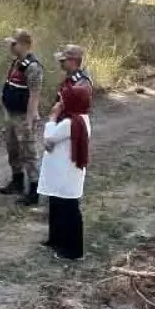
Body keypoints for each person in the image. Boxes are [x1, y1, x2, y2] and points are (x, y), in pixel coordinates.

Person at [39, 81, 92, 260]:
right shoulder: (81, 118)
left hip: (64, 172)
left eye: (63, 100)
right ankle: (56, 240)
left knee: (67, 209)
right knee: (57, 205)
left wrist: (52, 117)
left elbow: (49, 139)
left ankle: (73, 250)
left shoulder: (70, 123)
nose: (60, 103)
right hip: (63, 171)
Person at [0, 28, 44, 206]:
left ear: (24, 45)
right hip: (11, 113)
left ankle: (34, 189)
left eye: (14, 44)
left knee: (28, 152)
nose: (11, 47)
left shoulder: (33, 67)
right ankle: (17, 181)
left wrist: (30, 119)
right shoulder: (16, 63)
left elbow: (34, 95)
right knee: (12, 149)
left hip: (24, 116)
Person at [50, 44, 92, 119]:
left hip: (73, 122)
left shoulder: (82, 82)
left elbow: (79, 109)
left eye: (63, 61)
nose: (60, 63)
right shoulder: (68, 77)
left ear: (73, 61)